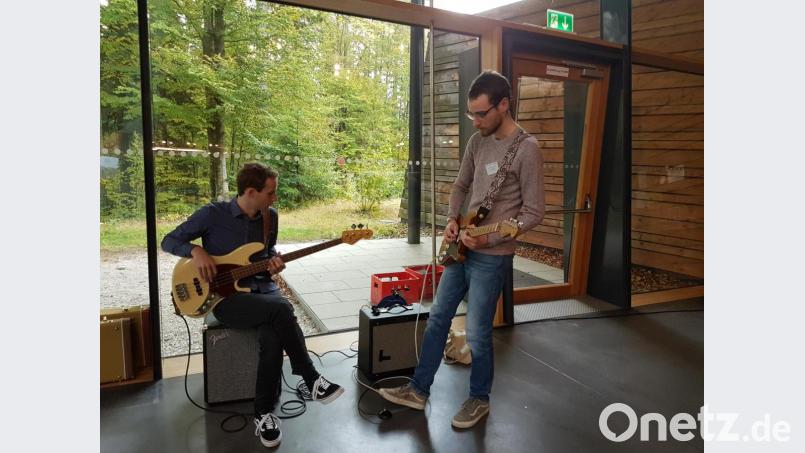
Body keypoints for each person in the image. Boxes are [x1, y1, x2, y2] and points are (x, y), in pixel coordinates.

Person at [379, 70, 544, 428]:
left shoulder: (527, 149)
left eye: (481, 114)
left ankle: (479, 399)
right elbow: (460, 186)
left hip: (492, 257)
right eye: (472, 114)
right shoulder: (477, 141)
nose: (475, 121)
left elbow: (533, 212)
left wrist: (492, 238)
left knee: (478, 333)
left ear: (504, 105)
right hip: (460, 248)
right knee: (438, 317)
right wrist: (453, 220)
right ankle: (419, 389)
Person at [161, 163, 344, 448]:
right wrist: (196, 250)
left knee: (273, 333)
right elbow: (169, 240)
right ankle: (310, 377)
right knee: (281, 309)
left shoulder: (270, 217)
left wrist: (274, 265)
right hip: (223, 299)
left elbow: (266, 256)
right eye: (270, 193)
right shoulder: (213, 214)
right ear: (251, 192)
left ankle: (263, 414)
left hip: (260, 289)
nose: (274, 199)